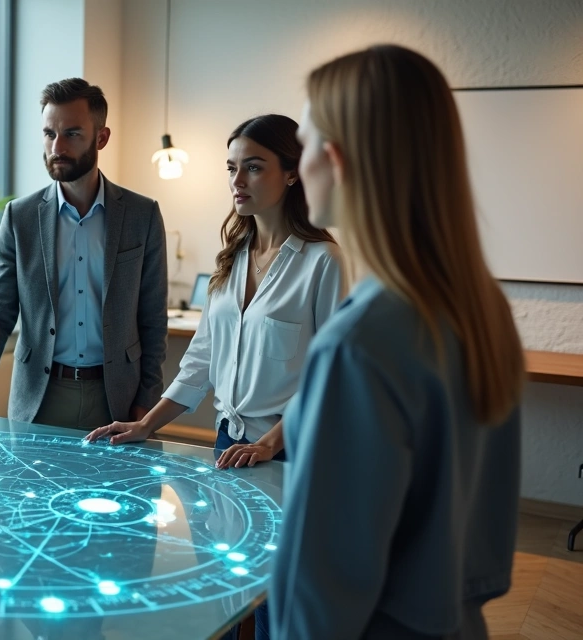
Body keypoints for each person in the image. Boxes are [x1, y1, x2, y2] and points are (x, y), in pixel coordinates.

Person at [270, 45, 524, 639]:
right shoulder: (483, 309)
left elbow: (320, 595)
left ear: (336, 160)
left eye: (304, 147)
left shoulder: (358, 344)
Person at [86, 114, 343, 472]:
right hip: (228, 444)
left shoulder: (323, 262)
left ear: (291, 173)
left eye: (253, 168)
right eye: (231, 168)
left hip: (289, 450)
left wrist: (268, 445)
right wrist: (145, 424)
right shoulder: (232, 259)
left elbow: (332, 376)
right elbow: (201, 361)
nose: (237, 180)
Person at [0, 78, 169, 429]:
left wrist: (146, 399)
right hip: (40, 398)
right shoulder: (20, 217)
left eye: (72, 134)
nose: (57, 146)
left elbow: (153, 318)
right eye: (49, 133)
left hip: (118, 397)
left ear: (101, 138)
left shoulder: (141, 214)